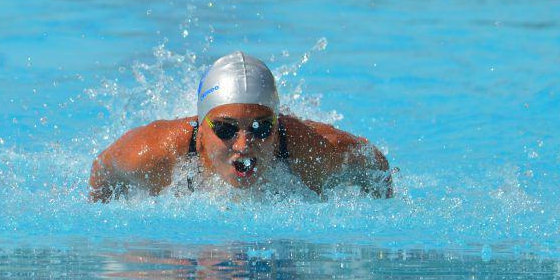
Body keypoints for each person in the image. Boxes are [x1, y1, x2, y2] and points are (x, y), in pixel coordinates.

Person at [88, 52, 394, 202]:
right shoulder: (154, 155)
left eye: (261, 128)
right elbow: (103, 168)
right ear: (201, 127)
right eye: (225, 129)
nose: (243, 144)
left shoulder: (316, 152)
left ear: (277, 125)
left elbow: (375, 164)